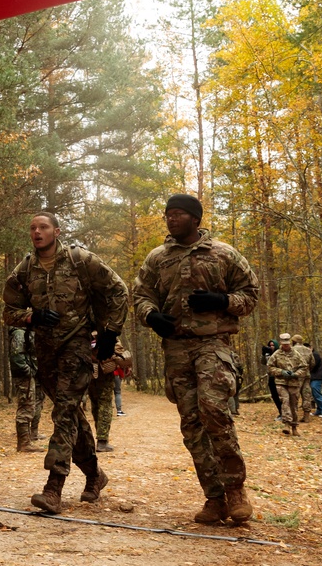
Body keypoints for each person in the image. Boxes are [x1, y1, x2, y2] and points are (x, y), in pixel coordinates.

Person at [134, 194, 259, 525]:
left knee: (214, 411)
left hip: (213, 343)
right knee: (191, 425)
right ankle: (214, 498)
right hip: (176, 349)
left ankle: (236, 491)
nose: (171, 220)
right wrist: (151, 316)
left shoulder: (223, 254)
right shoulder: (157, 258)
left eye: (178, 215)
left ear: (195, 219)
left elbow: (251, 294)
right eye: (168, 215)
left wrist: (223, 300)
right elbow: (141, 295)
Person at [3, 211, 128, 514]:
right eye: (32, 227)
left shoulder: (80, 260)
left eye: (43, 227)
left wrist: (110, 334)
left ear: (56, 232)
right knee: (71, 414)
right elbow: (8, 312)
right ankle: (95, 475)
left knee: (64, 412)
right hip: (45, 351)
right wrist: (32, 316)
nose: (37, 232)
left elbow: (119, 291)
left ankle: (53, 487)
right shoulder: (24, 269)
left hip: (78, 345)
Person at [87, 337, 132, 452]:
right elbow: (119, 351)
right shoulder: (108, 330)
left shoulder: (83, 329)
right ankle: (102, 441)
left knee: (96, 404)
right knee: (105, 404)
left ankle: (100, 439)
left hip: (89, 371)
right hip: (104, 371)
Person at [267, 333, 308, 436]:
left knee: (293, 404)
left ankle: (294, 426)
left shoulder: (296, 353)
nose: (286, 346)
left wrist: (295, 374)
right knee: (285, 401)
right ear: (281, 343)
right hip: (281, 382)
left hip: (294, 383)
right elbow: (270, 367)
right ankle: (286, 424)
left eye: (287, 344)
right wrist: (281, 372)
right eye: (284, 344)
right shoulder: (276, 354)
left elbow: (304, 367)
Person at [10, 326, 42, 453]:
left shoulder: (25, 332)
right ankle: (24, 443)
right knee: (26, 406)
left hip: (27, 375)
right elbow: (16, 356)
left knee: (29, 406)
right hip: (24, 376)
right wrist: (29, 371)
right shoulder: (19, 333)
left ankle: (26, 441)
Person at [291, 335, 314, 422]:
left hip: (296, 375)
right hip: (306, 375)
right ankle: (306, 415)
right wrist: (307, 370)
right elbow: (312, 363)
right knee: (306, 394)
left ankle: (294, 416)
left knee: (295, 394)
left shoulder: (292, 350)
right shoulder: (308, 350)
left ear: (294, 341)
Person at [261, 339, 283, 419]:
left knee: (281, 395)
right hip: (271, 376)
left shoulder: (280, 353)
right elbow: (263, 362)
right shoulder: (267, 354)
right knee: (274, 395)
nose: (271, 347)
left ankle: (285, 413)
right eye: (270, 345)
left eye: (273, 345)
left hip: (279, 376)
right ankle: (281, 412)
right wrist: (263, 354)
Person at [309, 344, 322, 417]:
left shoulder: (315, 355)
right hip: (313, 377)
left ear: (311, 348)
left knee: (317, 393)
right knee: (314, 394)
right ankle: (319, 410)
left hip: (317, 377)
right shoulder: (311, 355)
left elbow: (313, 366)